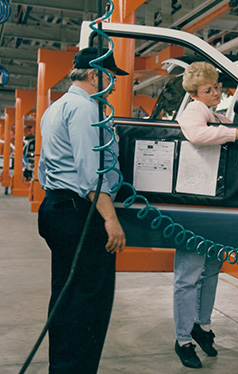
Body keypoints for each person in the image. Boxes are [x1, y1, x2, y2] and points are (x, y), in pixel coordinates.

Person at [37, 47, 128, 374]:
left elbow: (43, 168)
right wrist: (111, 219)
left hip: (57, 208)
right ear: (93, 76)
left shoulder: (56, 107)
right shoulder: (86, 109)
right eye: (110, 78)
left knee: (66, 297)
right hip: (81, 214)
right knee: (89, 304)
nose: (114, 86)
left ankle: (61, 368)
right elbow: (92, 174)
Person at [173, 61, 238, 369]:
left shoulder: (215, 113)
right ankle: (183, 340)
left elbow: (224, 129)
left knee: (210, 268)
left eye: (216, 87)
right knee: (189, 275)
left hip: (211, 204)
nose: (215, 92)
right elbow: (198, 135)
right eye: (208, 89)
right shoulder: (194, 111)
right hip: (194, 204)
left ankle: (202, 325)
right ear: (195, 92)